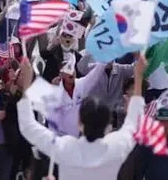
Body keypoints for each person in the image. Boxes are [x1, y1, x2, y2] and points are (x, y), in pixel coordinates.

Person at [15, 52, 146, 180]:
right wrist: (138, 78)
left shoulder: (66, 147)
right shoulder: (116, 146)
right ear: (109, 126)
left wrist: (26, 83)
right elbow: (134, 123)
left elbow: (27, 126)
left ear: (79, 122)